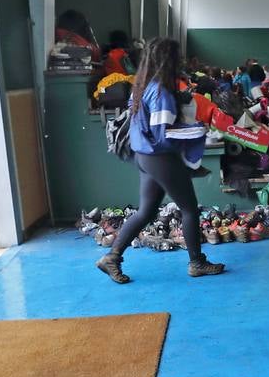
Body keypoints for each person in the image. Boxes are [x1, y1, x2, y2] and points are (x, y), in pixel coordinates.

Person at [96, 38, 225, 283]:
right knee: (188, 208)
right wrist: (197, 130)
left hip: (144, 156)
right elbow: (162, 134)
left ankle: (111, 257)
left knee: (146, 211)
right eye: (178, 58)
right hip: (159, 157)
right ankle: (196, 262)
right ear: (169, 60)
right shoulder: (161, 92)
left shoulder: (143, 86)